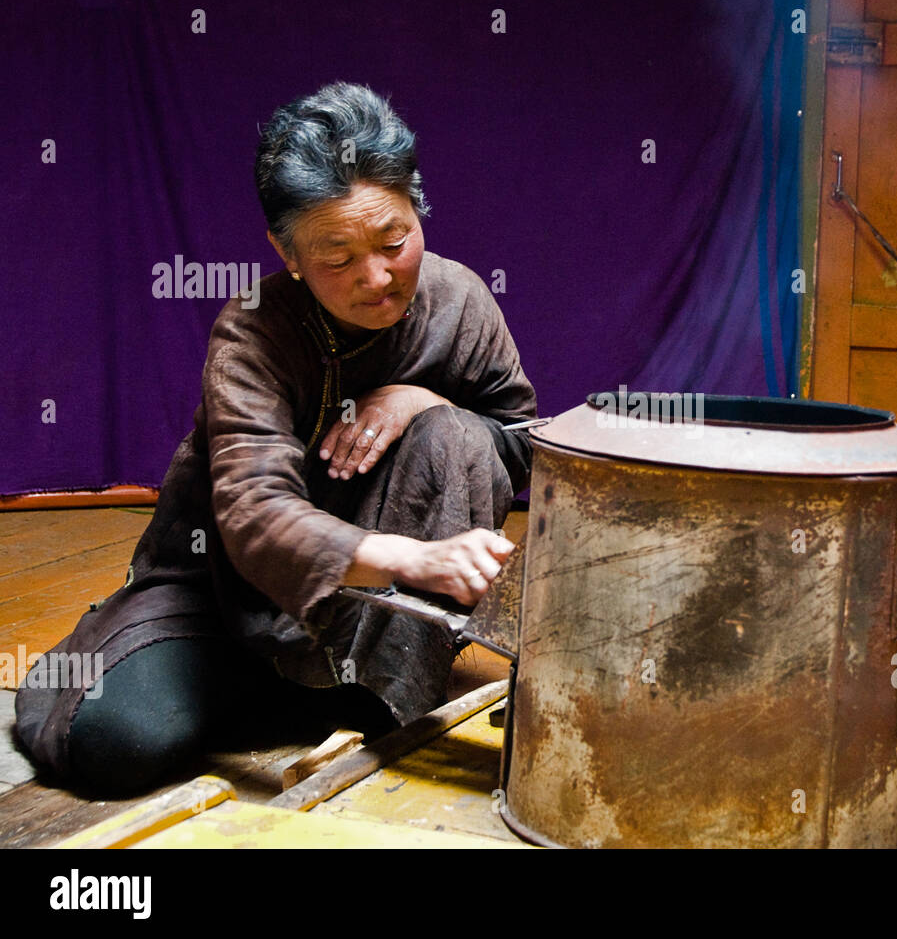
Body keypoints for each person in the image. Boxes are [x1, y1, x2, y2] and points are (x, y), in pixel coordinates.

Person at [15, 82, 537, 797]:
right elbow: (254, 511)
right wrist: (415, 557)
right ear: (285, 252)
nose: (377, 277)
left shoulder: (461, 300)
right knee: (117, 744)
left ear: (416, 205)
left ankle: (361, 690)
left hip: (379, 616)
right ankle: (254, 680)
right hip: (226, 598)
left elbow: (520, 439)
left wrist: (423, 399)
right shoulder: (253, 329)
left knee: (459, 432)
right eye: (337, 257)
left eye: (394, 240)